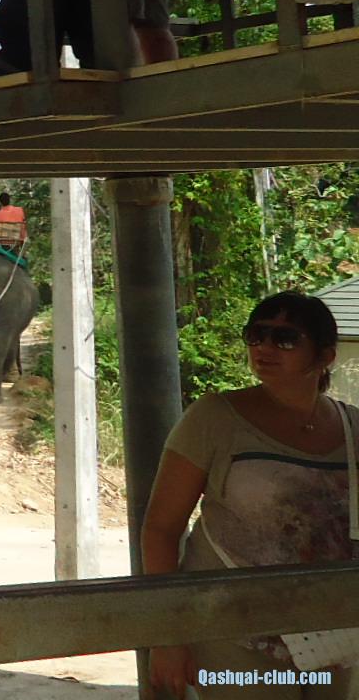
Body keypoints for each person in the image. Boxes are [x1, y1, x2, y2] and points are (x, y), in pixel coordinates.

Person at [142, 292, 355, 699]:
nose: (264, 347)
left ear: (325, 356)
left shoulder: (352, 428)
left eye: (285, 338)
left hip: (330, 632)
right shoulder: (214, 417)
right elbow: (161, 529)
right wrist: (167, 636)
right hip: (229, 629)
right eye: (256, 334)